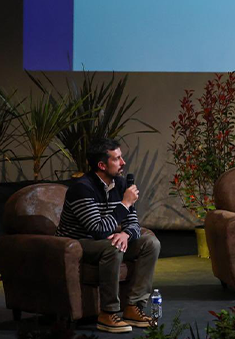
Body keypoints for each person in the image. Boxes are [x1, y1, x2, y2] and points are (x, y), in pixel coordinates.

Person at [57, 138, 161, 334]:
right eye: (117, 159)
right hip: (79, 243)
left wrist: (125, 234)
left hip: (106, 239)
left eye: (121, 157)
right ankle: (108, 313)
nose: (123, 163)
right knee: (113, 247)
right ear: (102, 165)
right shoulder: (82, 188)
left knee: (150, 243)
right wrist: (125, 204)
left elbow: (133, 224)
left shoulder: (121, 184)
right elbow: (98, 230)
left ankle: (133, 307)